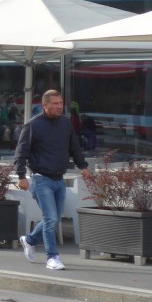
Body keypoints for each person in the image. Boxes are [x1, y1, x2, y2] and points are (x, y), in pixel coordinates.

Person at [13, 89, 94, 271]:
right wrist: (21, 176)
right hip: (41, 179)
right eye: (55, 104)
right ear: (45, 105)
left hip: (59, 179)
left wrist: (83, 166)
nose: (59, 106)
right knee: (50, 219)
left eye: (61, 103)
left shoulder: (65, 123)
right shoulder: (33, 125)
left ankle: (30, 240)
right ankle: (52, 257)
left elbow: (74, 147)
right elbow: (21, 152)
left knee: (54, 219)